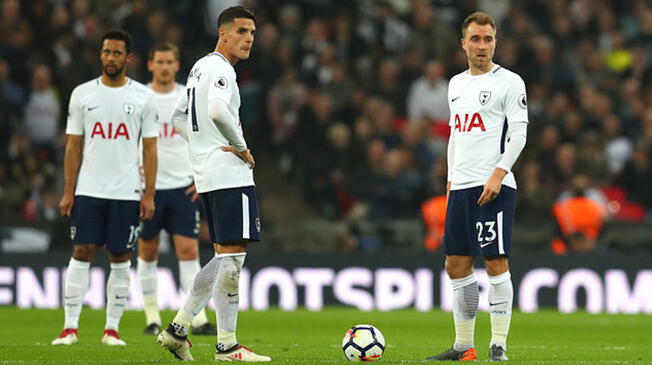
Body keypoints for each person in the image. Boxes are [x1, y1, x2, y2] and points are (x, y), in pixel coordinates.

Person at [156, 6, 270, 362]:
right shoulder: (221, 70)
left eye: (252, 32)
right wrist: (241, 147)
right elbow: (218, 111)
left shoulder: (198, 68)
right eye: (241, 31)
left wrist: (201, 148)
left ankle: (178, 329)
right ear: (223, 33)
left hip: (208, 174)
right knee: (233, 261)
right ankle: (227, 346)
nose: (248, 38)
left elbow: (177, 117)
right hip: (228, 174)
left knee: (225, 258)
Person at [428, 12, 528, 362]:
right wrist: (451, 183)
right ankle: (463, 345)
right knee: (455, 263)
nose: (482, 45)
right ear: (464, 43)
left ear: (495, 42)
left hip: (495, 184)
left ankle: (498, 343)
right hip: (462, 186)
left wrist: (499, 174)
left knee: (496, 260)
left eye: (488, 39)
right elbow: (456, 135)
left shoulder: (510, 82)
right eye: (475, 39)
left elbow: (519, 134)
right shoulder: (455, 84)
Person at [51, 30, 158, 346]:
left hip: (126, 191)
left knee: (120, 255)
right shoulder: (82, 94)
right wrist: (69, 190)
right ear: (101, 55)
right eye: (106, 52)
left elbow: (150, 149)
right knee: (81, 251)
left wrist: (148, 193)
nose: (110, 58)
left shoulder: (142, 97)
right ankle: (70, 327)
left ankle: (112, 329)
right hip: (88, 189)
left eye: (116, 53)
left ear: (128, 58)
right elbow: (73, 146)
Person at [137, 42, 217, 337]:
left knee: (188, 251)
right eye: (159, 61)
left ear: (176, 64)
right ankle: (151, 317)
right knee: (148, 251)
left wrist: (200, 175)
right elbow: (132, 140)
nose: (165, 66)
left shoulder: (188, 95)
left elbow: (200, 136)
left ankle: (196, 319)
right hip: (150, 188)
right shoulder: (141, 97)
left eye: (170, 61)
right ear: (150, 65)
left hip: (183, 186)